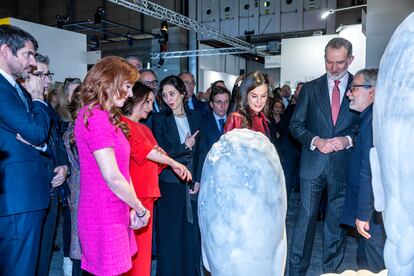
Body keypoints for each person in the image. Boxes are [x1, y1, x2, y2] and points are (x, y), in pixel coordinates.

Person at [288, 37, 359, 275]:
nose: (334, 68)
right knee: (304, 222)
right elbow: (295, 125)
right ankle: (296, 271)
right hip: (313, 165)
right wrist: (316, 141)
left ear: (350, 59)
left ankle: (331, 271)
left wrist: (347, 140)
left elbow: (365, 126)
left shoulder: (359, 88)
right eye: (329, 62)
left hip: (343, 166)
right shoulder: (310, 89)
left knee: (335, 224)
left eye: (340, 62)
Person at [74, 56, 150, 275]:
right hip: (102, 214)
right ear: (109, 81)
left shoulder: (106, 117)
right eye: (127, 86)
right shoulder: (95, 116)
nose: (128, 93)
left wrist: (132, 207)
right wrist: (139, 207)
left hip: (115, 210)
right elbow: (112, 177)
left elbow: (123, 171)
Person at [121, 82, 192, 276]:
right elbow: (146, 152)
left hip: (149, 194)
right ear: (136, 100)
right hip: (134, 195)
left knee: (143, 253)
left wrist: (163, 157)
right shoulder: (122, 125)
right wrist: (174, 163)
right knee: (131, 251)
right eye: (148, 102)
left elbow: (156, 157)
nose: (151, 108)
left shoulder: (144, 128)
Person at [0, 25, 53, 275]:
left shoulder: (14, 88)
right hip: (15, 199)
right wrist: (39, 98)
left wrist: (38, 140)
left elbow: (37, 136)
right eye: (27, 54)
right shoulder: (3, 88)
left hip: (24, 197)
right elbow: (36, 130)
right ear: (5, 51)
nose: (32, 62)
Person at [152, 75, 202, 276]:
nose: (168, 99)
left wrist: (197, 178)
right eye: (164, 95)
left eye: (172, 94)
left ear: (182, 93)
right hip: (169, 184)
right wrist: (184, 147)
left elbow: (202, 151)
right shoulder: (160, 119)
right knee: (170, 236)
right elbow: (159, 155)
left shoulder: (195, 116)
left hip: (191, 185)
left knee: (190, 235)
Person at [341, 69, 385, 272]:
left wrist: (363, 214)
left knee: (373, 266)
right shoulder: (370, 118)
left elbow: (370, 171)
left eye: (354, 88)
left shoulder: (373, 122)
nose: (349, 93)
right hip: (371, 214)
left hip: (371, 216)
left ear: (372, 92)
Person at [30, 53, 70, 276]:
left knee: (44, 253)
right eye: (40, 75)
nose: (46, 81)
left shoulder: (47, 109)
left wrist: (64, 167)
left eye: (48, 75)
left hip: (52, 190)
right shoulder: (18, 107)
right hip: (27, 193)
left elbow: (58, 145)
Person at [63, 84, 83, 276]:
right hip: (83, 192)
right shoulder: (78, 131)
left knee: (80, 243)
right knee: (83, 244)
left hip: (77, 190)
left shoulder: (73, 128)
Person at [224, 71, 273, 142]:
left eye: (263, 96)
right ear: (245, 95)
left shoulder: (263, 119)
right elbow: (227, 150)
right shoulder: (236, 118)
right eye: (254, 96)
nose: (259, 101)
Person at [196, 85, 231, 184]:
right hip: (211, 175)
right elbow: (201, 152)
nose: (223, 106)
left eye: (226, 102)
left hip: (231, 175)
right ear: (211, 104)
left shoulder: (235, 121)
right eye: (219, 102)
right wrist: (198, 180)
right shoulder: (203, 122)